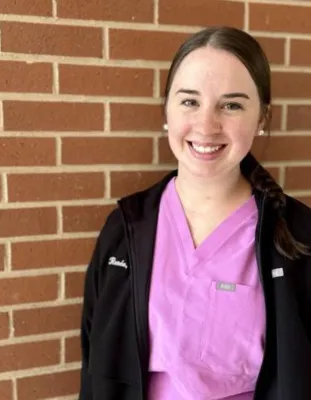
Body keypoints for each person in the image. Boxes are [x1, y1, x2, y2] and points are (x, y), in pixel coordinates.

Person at [78, 26, 311, 400]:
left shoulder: (299, 238)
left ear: (263, 117)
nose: (206, 126)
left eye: (231, 104)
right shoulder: (125, 229)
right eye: (190, 102)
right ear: (166, 110)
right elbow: (94, 370)